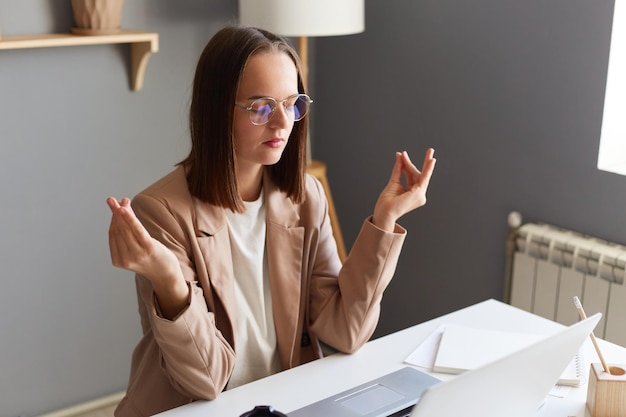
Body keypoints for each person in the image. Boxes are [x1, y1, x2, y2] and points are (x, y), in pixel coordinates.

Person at [106, 25, 436, 417]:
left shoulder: (305, 196)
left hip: (283, 404)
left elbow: (345, 331)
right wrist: (167, 279)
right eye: (262, 107)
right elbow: (206, 381)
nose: (283, 124)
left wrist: (385, 219)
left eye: (292, 103)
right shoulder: (161, 211)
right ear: (216, 111)